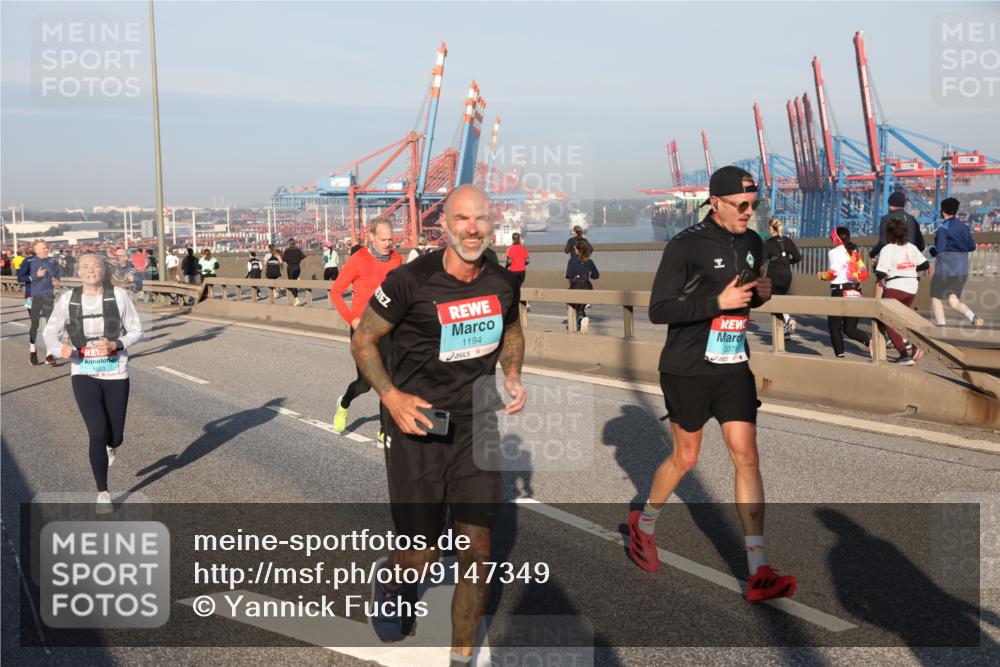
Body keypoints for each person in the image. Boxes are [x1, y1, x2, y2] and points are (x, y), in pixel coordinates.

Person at [351, 184, 526, 658]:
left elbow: (511, 329)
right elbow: (363, 338)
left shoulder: (502, 281)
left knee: (478, 552)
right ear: (444, 225)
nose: (472, 229)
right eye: (462, 219)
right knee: (421, 556)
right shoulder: (410, 281)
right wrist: (391, 397)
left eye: (481, 219)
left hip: (476, 426)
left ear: (492, 224)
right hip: (418, 427)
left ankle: (461, 657)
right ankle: (391, 581)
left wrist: (511, 373)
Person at [630, 166, 796, 603]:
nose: (749, 213)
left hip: (732, 362)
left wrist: (760, 292)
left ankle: (758, 569)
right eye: (741, 206)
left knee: (747, 456)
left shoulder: (753, 242)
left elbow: (750, 291)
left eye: (754, 205)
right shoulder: (684, 246)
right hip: (687, 366)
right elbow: (659, 310)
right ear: (715, 202)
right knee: (686, 458)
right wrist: (716, 302)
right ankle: (644, 524)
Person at [43, 253, 143, 512]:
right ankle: (103, 493)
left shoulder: (119, 296)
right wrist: (58, 349)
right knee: (97, 432)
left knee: (115, 435)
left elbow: (136, 330)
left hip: (116, 371)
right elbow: (50, 333)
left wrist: (117, 343)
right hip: (83, 372)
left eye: (95, 266)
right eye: (85, 266)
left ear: (103, 270)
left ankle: (112, 445)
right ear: (78, 272)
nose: (91, 270)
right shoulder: (68, 299)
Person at [329, 218, 402, 439]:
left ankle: (384, 429)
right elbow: (335, 292)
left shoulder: (397, 260)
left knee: (388, 381)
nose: (388, 243)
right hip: (363, 329)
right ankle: (343, 402)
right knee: (365, 384)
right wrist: (352, 319)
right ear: (371, 237)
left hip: (388, 328)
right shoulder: (358, 259)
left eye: (391, 239)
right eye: (383, 239)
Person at [874, 218, 930, 365]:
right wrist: (909, 270)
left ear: (889, 233)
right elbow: (925, 264)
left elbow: (880, 273)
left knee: (889, 321)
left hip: (895, 286)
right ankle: (916, 343)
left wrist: (876, 266)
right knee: (902, 319)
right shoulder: (911, 247)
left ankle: (904, 355)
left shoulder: (887, 248)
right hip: (912, 287)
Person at [929, 197, 983, 327]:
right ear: (956, 211)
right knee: (953, 300)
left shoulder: (944, 228)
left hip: (946, 269)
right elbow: (972, 246)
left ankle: (941, 326)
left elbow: (940, 250)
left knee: (936, 297)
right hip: (962, 270)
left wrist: (932, 251)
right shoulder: (963, 227)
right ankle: (973, 317)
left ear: (942, 211)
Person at [819, 227, 871, 359]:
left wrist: (821, 275)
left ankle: (840, 358)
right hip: (856, 292)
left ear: (836, 239)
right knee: (850, 328)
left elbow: (833, 274)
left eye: (832, 237)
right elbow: (864, 274)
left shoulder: (833, 252)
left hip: (840, 292)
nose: (831, 240)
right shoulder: (854, 251)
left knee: (834, 327)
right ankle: (869, 342)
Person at [870, 192, 926, 299]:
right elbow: (922, 245)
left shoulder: (887, 218)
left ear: (890, 204)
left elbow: (883, 243)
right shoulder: (913, 219)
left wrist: (872, 254)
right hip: (910, 274)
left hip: (893, 267)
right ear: (904, 204)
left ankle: (875, 312)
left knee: (880, 281)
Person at [19, 240, 62, 366]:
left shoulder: (52, 262)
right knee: (35, 324)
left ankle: (49, 355)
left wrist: (57, 281)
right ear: (36, 249)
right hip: (31, 297)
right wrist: (35, 276)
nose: (47, 249)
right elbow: (20, 278)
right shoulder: (28, 261)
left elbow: (57, 275)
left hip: (48, 296)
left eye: (47, 247)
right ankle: (32, 351)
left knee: (50, 325)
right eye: (44, 248)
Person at [761, 219, 802, 335]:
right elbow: (798, 257)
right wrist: (787, 261)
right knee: (780, 300)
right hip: (787, 275)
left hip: (774, 275)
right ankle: (785, 332)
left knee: (773, 302)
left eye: (769, 228)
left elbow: (761, 261)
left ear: (771, 229)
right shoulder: (788, 241)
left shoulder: (768, 243)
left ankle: (788, 319)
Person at [566, 239, 599, 333]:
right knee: (581, 306)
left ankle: (576, 324)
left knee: (571, 304)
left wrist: (567, 275)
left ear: (578, 250)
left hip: (576, 285)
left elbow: (569, 275)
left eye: (576, 248)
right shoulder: (590, 262)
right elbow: (596, 275)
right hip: (587, 286)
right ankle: (582, 319)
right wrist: (590, 275)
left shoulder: (572, 261)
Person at [283, 239, 306, 306]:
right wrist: (301, 264)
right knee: (294, 282)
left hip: (291, 268)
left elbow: (284, 261)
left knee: (292, 283)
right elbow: (303, 258)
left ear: (289, 244)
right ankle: (293, 293)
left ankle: (296, 299)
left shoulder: (287, 251)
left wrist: (287, 266)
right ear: (294, 244)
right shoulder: (298, 250)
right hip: (298, 268)